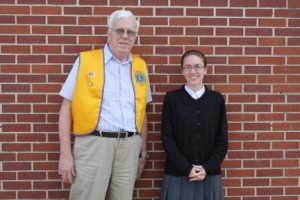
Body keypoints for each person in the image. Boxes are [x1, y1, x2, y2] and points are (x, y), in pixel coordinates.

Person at [58, 9, 152, 200]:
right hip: (94, 144)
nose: (125, 36)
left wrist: (143, 153)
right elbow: (66, 108)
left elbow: (142, 111)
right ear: (109, 32)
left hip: (129, 147)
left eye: (131, 32)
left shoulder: (140, 66)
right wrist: (65, 154)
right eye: (120, 30)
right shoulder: (86, 60)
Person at [159, 50, 228, 200]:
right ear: (182, 70)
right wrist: (187, 168)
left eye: (198, 66)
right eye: (187, 67)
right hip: (178, 175)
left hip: (209, 176)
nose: (193, 71)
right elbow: (167, 138)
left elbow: (222, 140)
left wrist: (207, 168)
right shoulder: (172, 99)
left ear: (205, 69)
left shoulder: (216, 100)